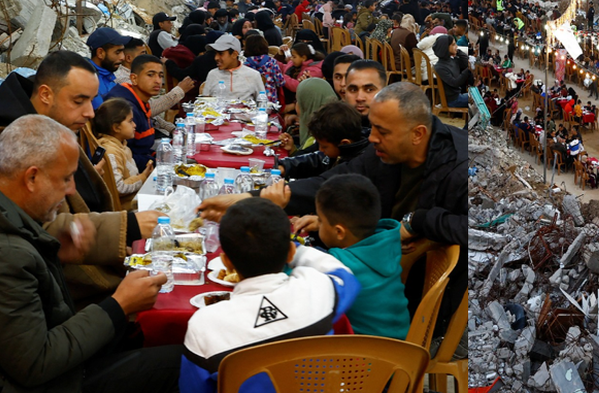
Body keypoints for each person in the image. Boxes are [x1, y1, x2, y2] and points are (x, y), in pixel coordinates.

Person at [199, 82, 467, 339]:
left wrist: (420, 220)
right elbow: (329, 184)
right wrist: (246, 199)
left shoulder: (461, 165)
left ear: (418, 133)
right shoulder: (383, 151)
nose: (372, 138)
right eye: (372, 127)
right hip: (387, 275)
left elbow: (478, 231)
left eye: (382, 131)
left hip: (426, 303)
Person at [0, 115, 181, 393]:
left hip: (63, 362)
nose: (71, 189)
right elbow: (35, 364)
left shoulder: (17, 220)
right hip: (57, 381)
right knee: (186, 363)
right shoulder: (7, 254)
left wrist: (55, 249)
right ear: (31, 177)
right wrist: (119, 305)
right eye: (66, 178)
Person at [0, 51, 161, 302]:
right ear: (45, 94)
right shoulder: (12, 139)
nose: (91, 113)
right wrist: (130, 226)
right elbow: (37, 228)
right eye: (79, 100)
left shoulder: (60, 121)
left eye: (92, 100)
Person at [180, 198, 358, 393]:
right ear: (290, 253)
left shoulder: (205, 325)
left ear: (226, 262)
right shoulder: (317, 289)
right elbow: (343, 274)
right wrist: (290, 248)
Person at [290, 174, 410, 340]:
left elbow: (289, 275)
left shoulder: (339, 265)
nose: (318, 223)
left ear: (339, 231)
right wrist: (324, 224)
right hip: (401, 347)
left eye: (322, 220)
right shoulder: (386, 241)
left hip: (361, 358)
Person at [278, 102, 369, 180]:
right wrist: (285, 166)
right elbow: (318, 160)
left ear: (344, 143)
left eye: (324, 146)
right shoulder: (339, 152)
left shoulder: (357, 166)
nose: (320, 149)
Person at [104, 55, 164, 172]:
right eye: (150, 75)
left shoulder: (140, 100)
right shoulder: (124, 108)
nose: (157, 81)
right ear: (134, 78)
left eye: (160, 75)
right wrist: (156, 162)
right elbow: (123, 157)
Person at [93, 98, 154, 209]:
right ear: (116, 127)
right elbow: (118, 187)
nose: (134, 125)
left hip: (133, 199)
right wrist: (143, 177)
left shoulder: (122, 146)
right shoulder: (111, 152)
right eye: (130, 121)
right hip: (125, 208)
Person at [201, 34, 264, 102]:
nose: (216, 58)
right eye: (215, 53)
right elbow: (205, 103)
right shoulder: (213, 74)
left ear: (234, 54)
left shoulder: (253, 75)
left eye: (221, 54)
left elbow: (262, 103)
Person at [87, 27, 132, 110]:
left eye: (123, 52)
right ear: (100, 53)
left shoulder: (107, 76)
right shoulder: (90, 81)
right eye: (117, 52)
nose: (122, 57)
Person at [243, 35, 289, 106]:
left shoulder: (245, 65)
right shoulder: (271, 62)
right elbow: (280, 82)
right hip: (270, 101)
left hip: (251, 101)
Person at [433, 35, 473, 109]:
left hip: (459, 95)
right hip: (453, 100)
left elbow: (465, 62)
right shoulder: (440, 67)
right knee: (475, 98)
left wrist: (457, 51)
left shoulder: (452, 60)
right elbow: (455, 83)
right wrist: (466, 71)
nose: (456, 46)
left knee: (476, 94)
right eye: (453, 44)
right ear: (446, 47)